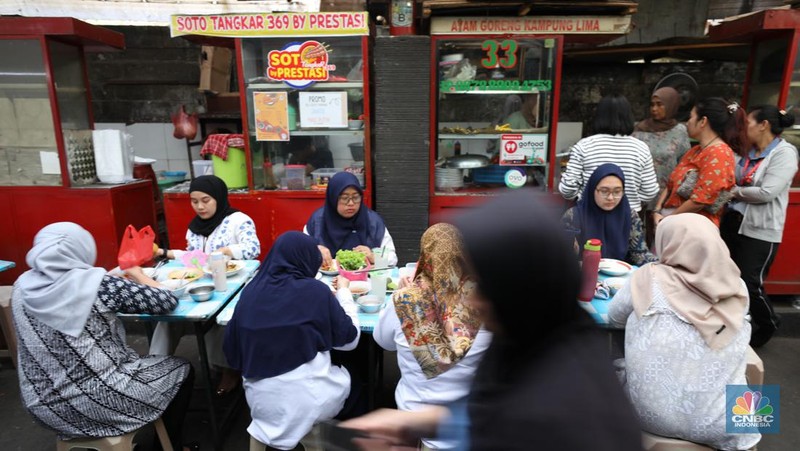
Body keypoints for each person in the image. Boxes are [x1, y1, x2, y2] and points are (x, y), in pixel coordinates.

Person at [342, 190, 642, 450]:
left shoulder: (556, 410)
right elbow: (488, 412)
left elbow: (504, 425)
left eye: (486, 285)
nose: (472, 301)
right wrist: (417, 424)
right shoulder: (548, 339)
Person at [13, 222, 195, 451]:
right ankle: (167, 447)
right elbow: (166, 301)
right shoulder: (100, 285)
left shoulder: (22, 285)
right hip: (100, 399)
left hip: (42, 406)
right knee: (181, 369)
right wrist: (138, 274)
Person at [608, 213, 760, 450]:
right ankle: (752, 443)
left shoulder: (648, 277)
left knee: (612, 368)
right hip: (727, 422)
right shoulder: (738, 286)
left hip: (651, 415)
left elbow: (614, 317)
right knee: (752, 373)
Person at [223, 231, 361, 450]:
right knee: (355, 377)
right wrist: (344, 294)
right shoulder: (316, 291)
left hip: (260, 404)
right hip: (309, 401)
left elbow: (231, 352)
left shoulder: (250, 292)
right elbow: (350, 340)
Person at [373, 223, 492, 450]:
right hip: (462, 424)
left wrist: (401, 296)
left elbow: (382, 341)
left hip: (413, 421)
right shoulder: (484, 303)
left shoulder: (404, 302)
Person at [152, 174, 260, 396]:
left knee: (219, 319)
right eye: (194, 201)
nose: (200, 207)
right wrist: (164, 253)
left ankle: (227, 370)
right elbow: (195, 258)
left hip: (235, 285)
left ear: (218, 198)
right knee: (168, 317)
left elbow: (253, 250)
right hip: (200, 284)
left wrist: (228, 251)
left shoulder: (239, 221)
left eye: (205, 200)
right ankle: (153, 369)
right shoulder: (194, 228)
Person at [721, 106, 799, 347]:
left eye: (749, 124)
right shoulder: (750, 151)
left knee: (750, 282)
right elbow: (733, 174)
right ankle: (734, 326)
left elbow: (767, 192)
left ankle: (767, 323)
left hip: (760, 231)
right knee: (728, 278)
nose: (746, 129)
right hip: (734, 223)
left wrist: (734, 192)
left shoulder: (784, 154)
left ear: (763, 125)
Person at [652, 97, 746, 227]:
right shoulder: (695, 150)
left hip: (693, 225)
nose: (687, 123)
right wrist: (657, 210)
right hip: (670, 219)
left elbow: (700, 200)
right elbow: (670, 185)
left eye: (691, 117)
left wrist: (667, 220)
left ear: (703, 121)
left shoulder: (720, 153)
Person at [558, 93, 659, 212]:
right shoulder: (641, 148)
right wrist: (629, 200)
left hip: (589, 217)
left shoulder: (583, 146)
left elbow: (567, 189)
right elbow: (650, 191)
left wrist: (582, 196)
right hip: (627, 219)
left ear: (599, 116)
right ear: (628, 117)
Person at [562, 164, 657, 266]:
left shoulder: (630, 216)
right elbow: (562, 256)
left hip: (621, 277)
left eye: (617, 192)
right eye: (604, 191)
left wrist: (661, 263)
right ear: (592, 189)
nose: (611, 198)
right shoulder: (574, 216)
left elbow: (640, 254)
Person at [305, 171, 397, 269]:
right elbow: (300, 255)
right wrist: (315, 251)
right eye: (344, 198)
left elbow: (393, 259)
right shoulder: (318, 221)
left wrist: (373, 256)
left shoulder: (372, 221)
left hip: (364, 281)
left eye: (356, 197)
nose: (351, 203)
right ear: (333, 198)